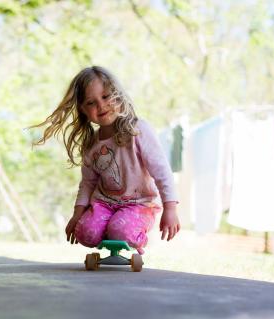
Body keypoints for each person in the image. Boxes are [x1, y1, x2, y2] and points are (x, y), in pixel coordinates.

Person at [33, 66, 180, 254]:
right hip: (104, 203)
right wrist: (77, 215)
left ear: (118, 95)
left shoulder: (138, 130)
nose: (101, 106)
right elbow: (87, 183)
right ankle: (115, 229)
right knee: (85, 233)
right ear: (83, 110)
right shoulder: (91, 144)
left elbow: (162, 172)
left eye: (105, 97)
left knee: (121, 231)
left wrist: (170, 208)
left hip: (139, 204)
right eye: (91, 103)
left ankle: (131, 235)